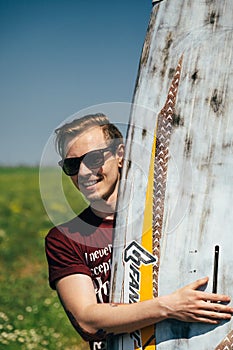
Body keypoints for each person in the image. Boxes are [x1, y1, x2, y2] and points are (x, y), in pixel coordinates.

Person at [45, 113, 233, 350]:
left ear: (119, 155)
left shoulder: (176, 215)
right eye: (72, 165)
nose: (82, 173)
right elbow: (87, 321)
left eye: (93, 159)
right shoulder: (64, 238)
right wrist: (170, 307)